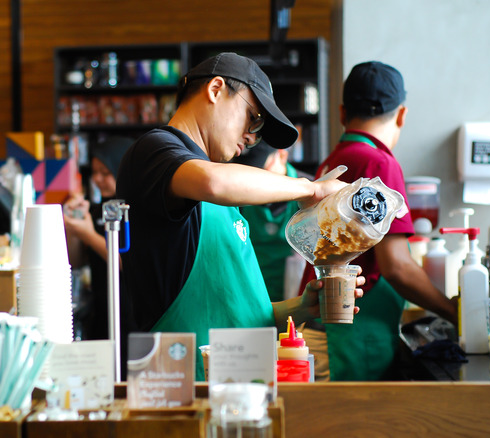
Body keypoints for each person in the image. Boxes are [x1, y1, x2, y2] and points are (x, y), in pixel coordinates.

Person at [115, 52, 364, 381]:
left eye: (257, 129)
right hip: (183, 386)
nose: (251, 137)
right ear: (216, 89)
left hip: (235, 384)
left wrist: (300, 308)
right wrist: (310, 189)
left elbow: (239, 316)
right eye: (253, 118)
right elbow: (213, 182)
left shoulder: (221, 196)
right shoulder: (156, 151)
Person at [296, 61, 458, 381]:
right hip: (352, 340)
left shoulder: (333, 162)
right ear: (401, 115)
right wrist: (454, 312)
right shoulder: (379, 163)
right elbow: (396, 266)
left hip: (318, 332)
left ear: (342, 113)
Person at [64, 136, 133, 340]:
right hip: (101, 311)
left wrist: (89, 234)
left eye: (106, 172)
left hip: (131, 313)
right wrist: (73, 227)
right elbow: (76, 261)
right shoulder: (96, 211)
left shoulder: (136, 210)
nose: (98, 179)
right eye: (95, 172)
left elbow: (126, 262)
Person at [237, 143, 313, 302]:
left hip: (298, 299)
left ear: (282, 155)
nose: (256, 180)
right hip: (252, 297)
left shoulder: (311, 195)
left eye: (262, 170)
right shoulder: (239, 194)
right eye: (250, 172)